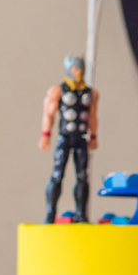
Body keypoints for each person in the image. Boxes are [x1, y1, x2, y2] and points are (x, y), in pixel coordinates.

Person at [39, 54, 98, 223]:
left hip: (81, 138)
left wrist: (93, 136)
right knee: (57, 174)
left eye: (80, 68)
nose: (78, 72)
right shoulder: (58, 90)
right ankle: (50, 213)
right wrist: (45, 134)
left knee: (83, 176)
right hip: (65, 137)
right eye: (74, 68)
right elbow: (49, 114)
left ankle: (81, 214)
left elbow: (92, 117)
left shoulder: (91, 93)